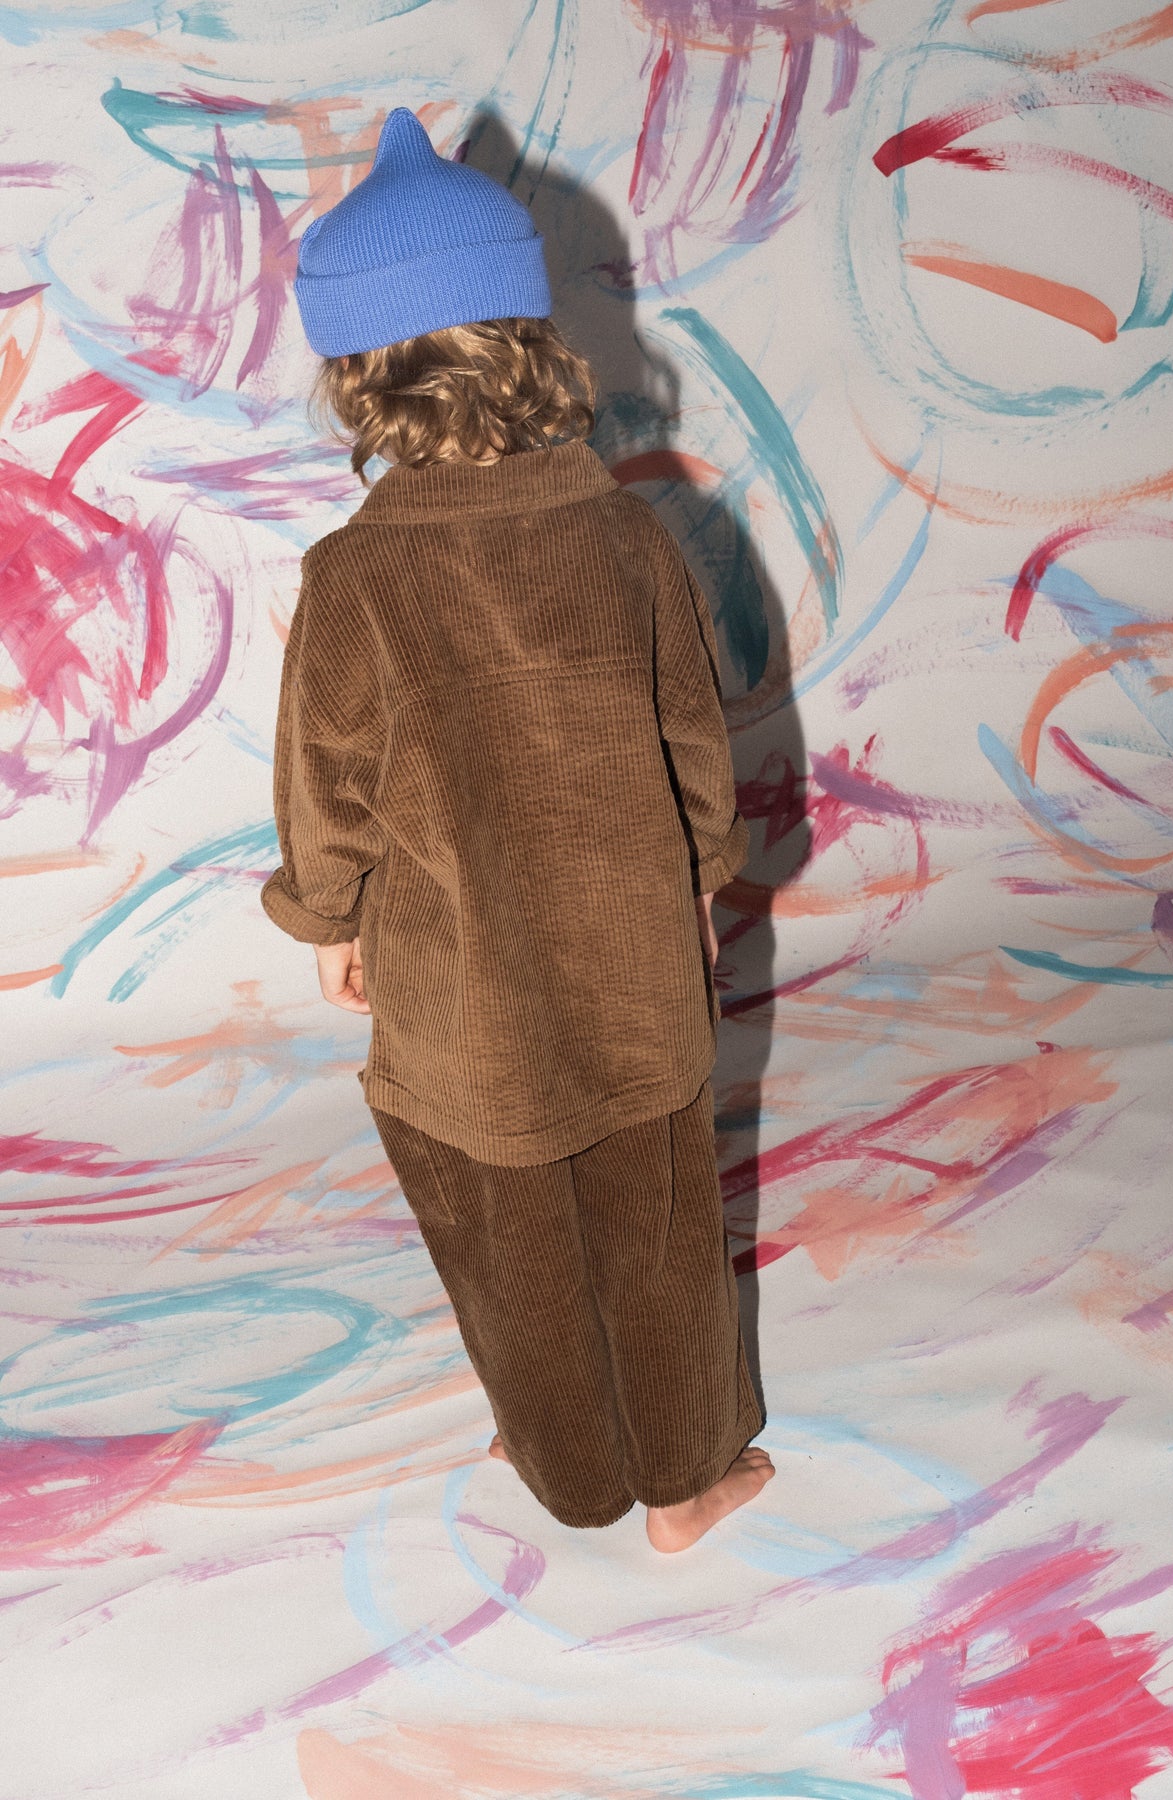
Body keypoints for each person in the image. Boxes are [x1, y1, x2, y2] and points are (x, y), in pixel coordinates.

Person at [261, 106, 773, 1551]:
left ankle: (566, 1463)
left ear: (357, 380)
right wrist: (697, 883)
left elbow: (325, 781)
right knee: (654, 1220)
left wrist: (328, 918)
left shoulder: (353, 580)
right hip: (630, 968)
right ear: (534, 345)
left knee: (505, 1230)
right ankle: (684, 1482)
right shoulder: (627, 536)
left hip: (459, 995)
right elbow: (692, 743)